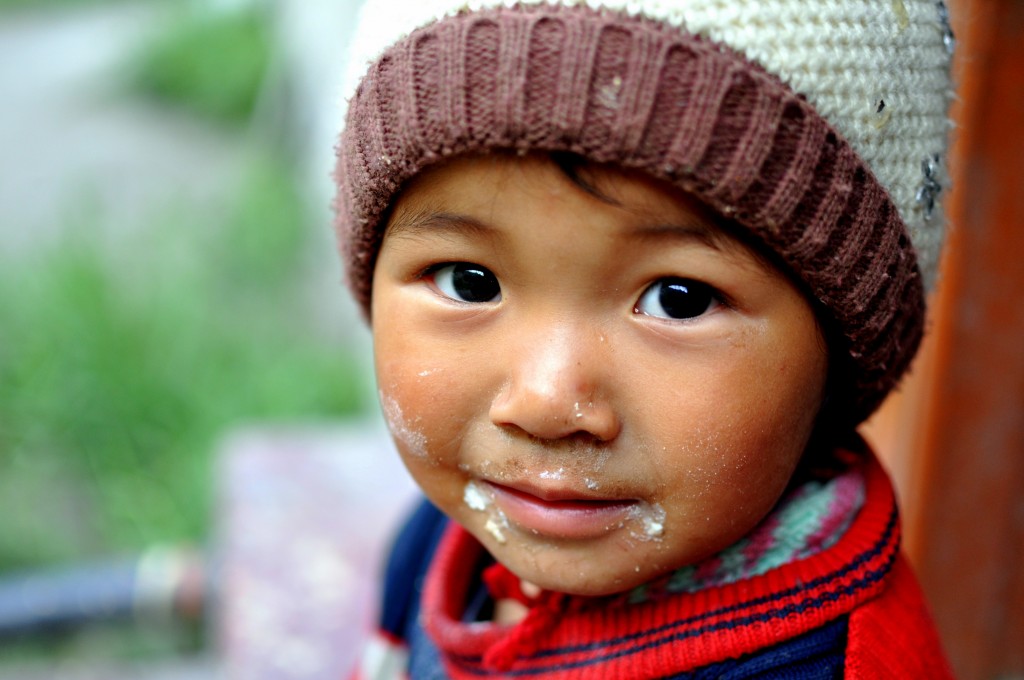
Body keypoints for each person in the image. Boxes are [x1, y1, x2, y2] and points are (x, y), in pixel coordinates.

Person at [333, 0, 957, 676]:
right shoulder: (447, 541)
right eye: (469, 281)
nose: (545, 401)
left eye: (677, 300)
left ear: (837, 355)